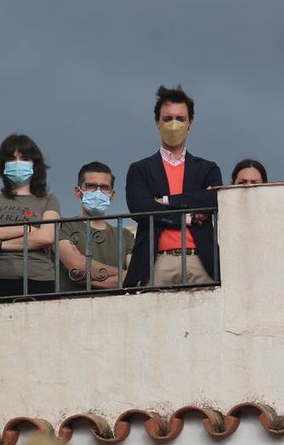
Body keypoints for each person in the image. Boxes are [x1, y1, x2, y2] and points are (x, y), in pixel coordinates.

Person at [123, 85, 221, 288]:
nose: (174, 124)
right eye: (167, 119)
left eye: (180, 119)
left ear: (190, 123)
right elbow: (139, 208)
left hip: (200, 261)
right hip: (156, 262)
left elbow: (213, 199)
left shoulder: (208, 169)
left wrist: (165, 201)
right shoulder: (140, 169)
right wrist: (187, 218)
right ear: (157, 122)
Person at [0, 133, 60, 297]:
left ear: (35, 164)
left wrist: (0, 245)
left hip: (40, 278)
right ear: (3, 165)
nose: (17, 163)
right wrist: (27, 229)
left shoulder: (49, 199)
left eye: (24, 159)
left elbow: (46, 237)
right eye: (11, 159)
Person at [57, 161, 134, 292]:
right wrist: (120, 273)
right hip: (72, 303)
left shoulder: (125, 236)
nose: (98, 192)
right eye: (91, 186)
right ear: (78, 192)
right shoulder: (62, 227)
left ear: (112, 195)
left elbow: (134, 277)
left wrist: (85, 280)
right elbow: (77, 267)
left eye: (104, 187)